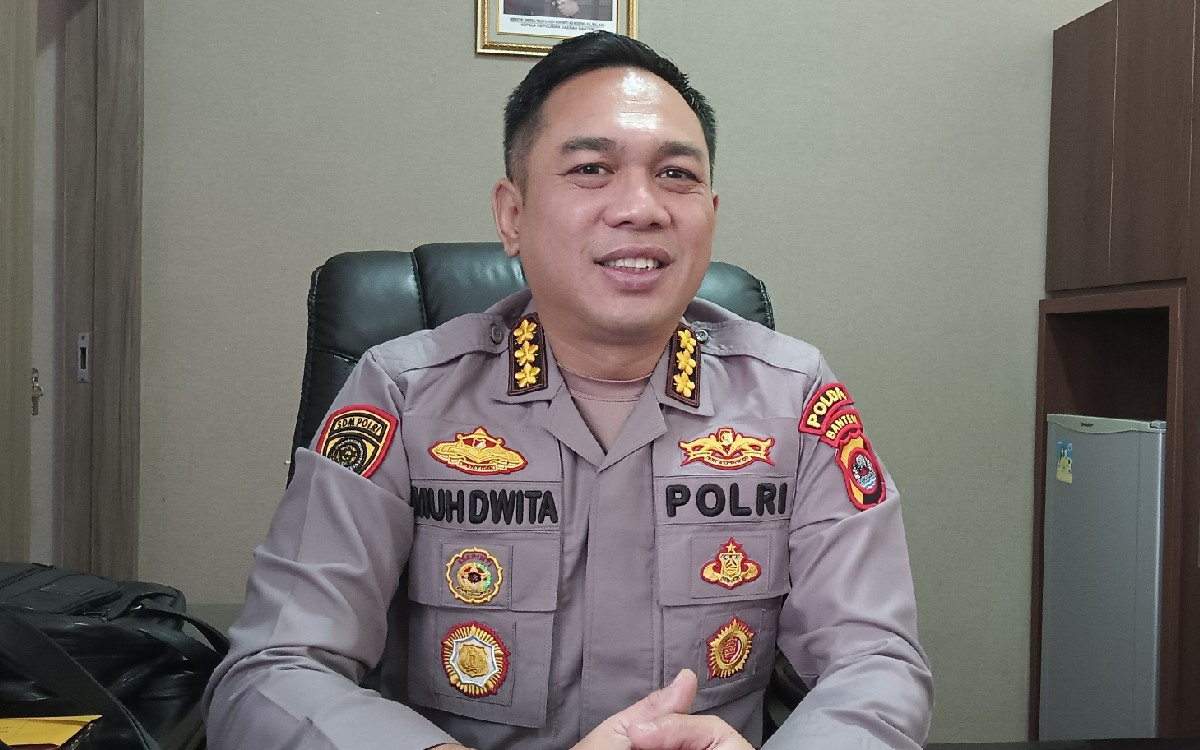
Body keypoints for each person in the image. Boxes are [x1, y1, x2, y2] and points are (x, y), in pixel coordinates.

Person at [203, 31, 933, 750]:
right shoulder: (402, 395)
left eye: (675, 174)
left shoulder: (794, 398)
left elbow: (875, 662)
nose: (641, 206)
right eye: (591, 168)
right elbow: (273, 671)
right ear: (512, 215)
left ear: (711, 214)